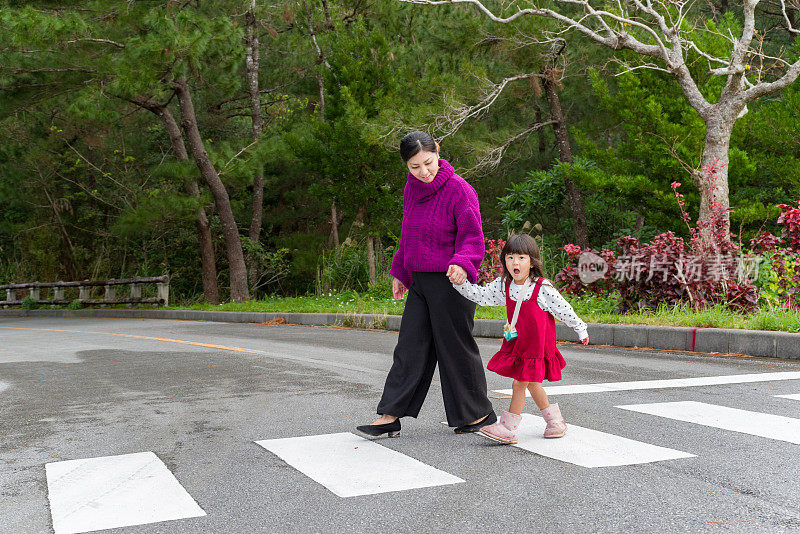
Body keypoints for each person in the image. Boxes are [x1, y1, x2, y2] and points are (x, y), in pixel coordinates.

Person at [356, 131, 496, 438]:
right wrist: (400, 273)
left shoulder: (460, 189)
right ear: (407, 167)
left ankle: (478, 415)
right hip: (420, 280)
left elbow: (473, 236)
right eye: (415, 167)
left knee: (455, 348)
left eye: (428, 163)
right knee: (409, 346)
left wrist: (462, 262)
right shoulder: (411, 189)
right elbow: (409, 233)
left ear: (438, 153)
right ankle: (389, 415)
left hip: (451, 281)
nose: (424, 172)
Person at [449, 233, 589, 444]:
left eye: (522, 258)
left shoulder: (542, 288)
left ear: (532, 262)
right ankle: (555, 423)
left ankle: (508, 428)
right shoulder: (503, 285)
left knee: (519, 385)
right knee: (533, 384)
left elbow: (563, 309)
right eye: (510, 257)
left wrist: (580, 328)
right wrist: (460, 285)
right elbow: (481, 296)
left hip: (535, 347)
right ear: (505, 261)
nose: (515, 262)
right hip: (519, 345)